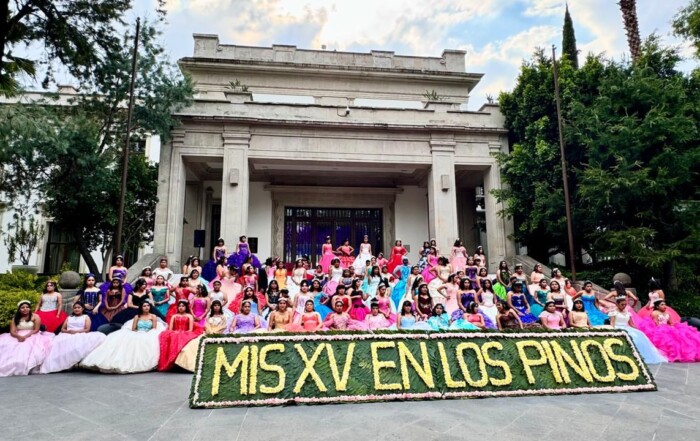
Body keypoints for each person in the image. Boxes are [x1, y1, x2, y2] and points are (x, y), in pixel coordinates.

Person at [80, 302, 166, 373]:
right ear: (141, 308)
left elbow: (154, 328)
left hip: (149, 333)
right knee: (121, 339)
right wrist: (138, 332)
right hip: (138, 332)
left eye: (148, 306)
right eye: (144, 306)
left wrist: (146, 333)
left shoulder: (153, 316)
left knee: (145, 341)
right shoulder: (137, 316)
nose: (146, 307)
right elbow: (134, 328)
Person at [39, 303, 106, 374]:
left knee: (98, 336)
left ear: (82, 308)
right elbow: (62, 329)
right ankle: (60, 364)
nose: (76, 309)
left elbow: (87, 329)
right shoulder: (69, 317)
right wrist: (68, 331)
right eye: (75, 308)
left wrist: (76, 331)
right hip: (68, 334)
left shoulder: (86, 317)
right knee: (57, 343)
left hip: (80, 334)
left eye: (78, 307)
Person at [0, 301, 54, 376]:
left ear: (29, 308)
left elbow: (36, 329)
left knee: (27, 346)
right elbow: (12, 331)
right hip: (18, 334)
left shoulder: (35, 316)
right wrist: (18, 336)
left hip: (32, 334)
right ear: (19, 309)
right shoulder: (15, 318)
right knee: (8, 345)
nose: (25, 309)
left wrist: (27, 336)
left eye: (27, 307)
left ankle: (28, 365)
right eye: (22, 307)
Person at [609, 296, 667, 364]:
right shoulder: (614, 312)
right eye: (622, 304)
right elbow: (612, 323)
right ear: (617, 304)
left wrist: (638, 330)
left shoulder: (627, 312)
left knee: (639, 336)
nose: (624, 306)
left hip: (627, 327)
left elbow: (631, 324)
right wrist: (612, 330)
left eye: (625, 304)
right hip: (617, 327)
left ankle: (640, 355)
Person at [174, 300, 229, 372]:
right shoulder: (209, 316)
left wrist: (215, 332)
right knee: (192, 345)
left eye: (218, 305)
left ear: (220, 307)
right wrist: (210, 332)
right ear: (212, 307)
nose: (216, 307)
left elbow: (223, 326)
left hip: (218, 334)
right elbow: (206, 325)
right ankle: (190, 365)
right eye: (215, 305)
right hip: (208, 333)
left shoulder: (223, 317)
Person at [158, 300, 198, 371]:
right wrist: (175, 333)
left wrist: (181, 333)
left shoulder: (189, 316)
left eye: (183, 306)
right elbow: (170, 329)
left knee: (180, 340)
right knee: (169, 338)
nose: (181, 307)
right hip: (174, 333)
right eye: (179, 306)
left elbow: (190, 329)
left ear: (186, 307)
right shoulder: (174, 316)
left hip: (186, 334)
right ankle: (171, 363)